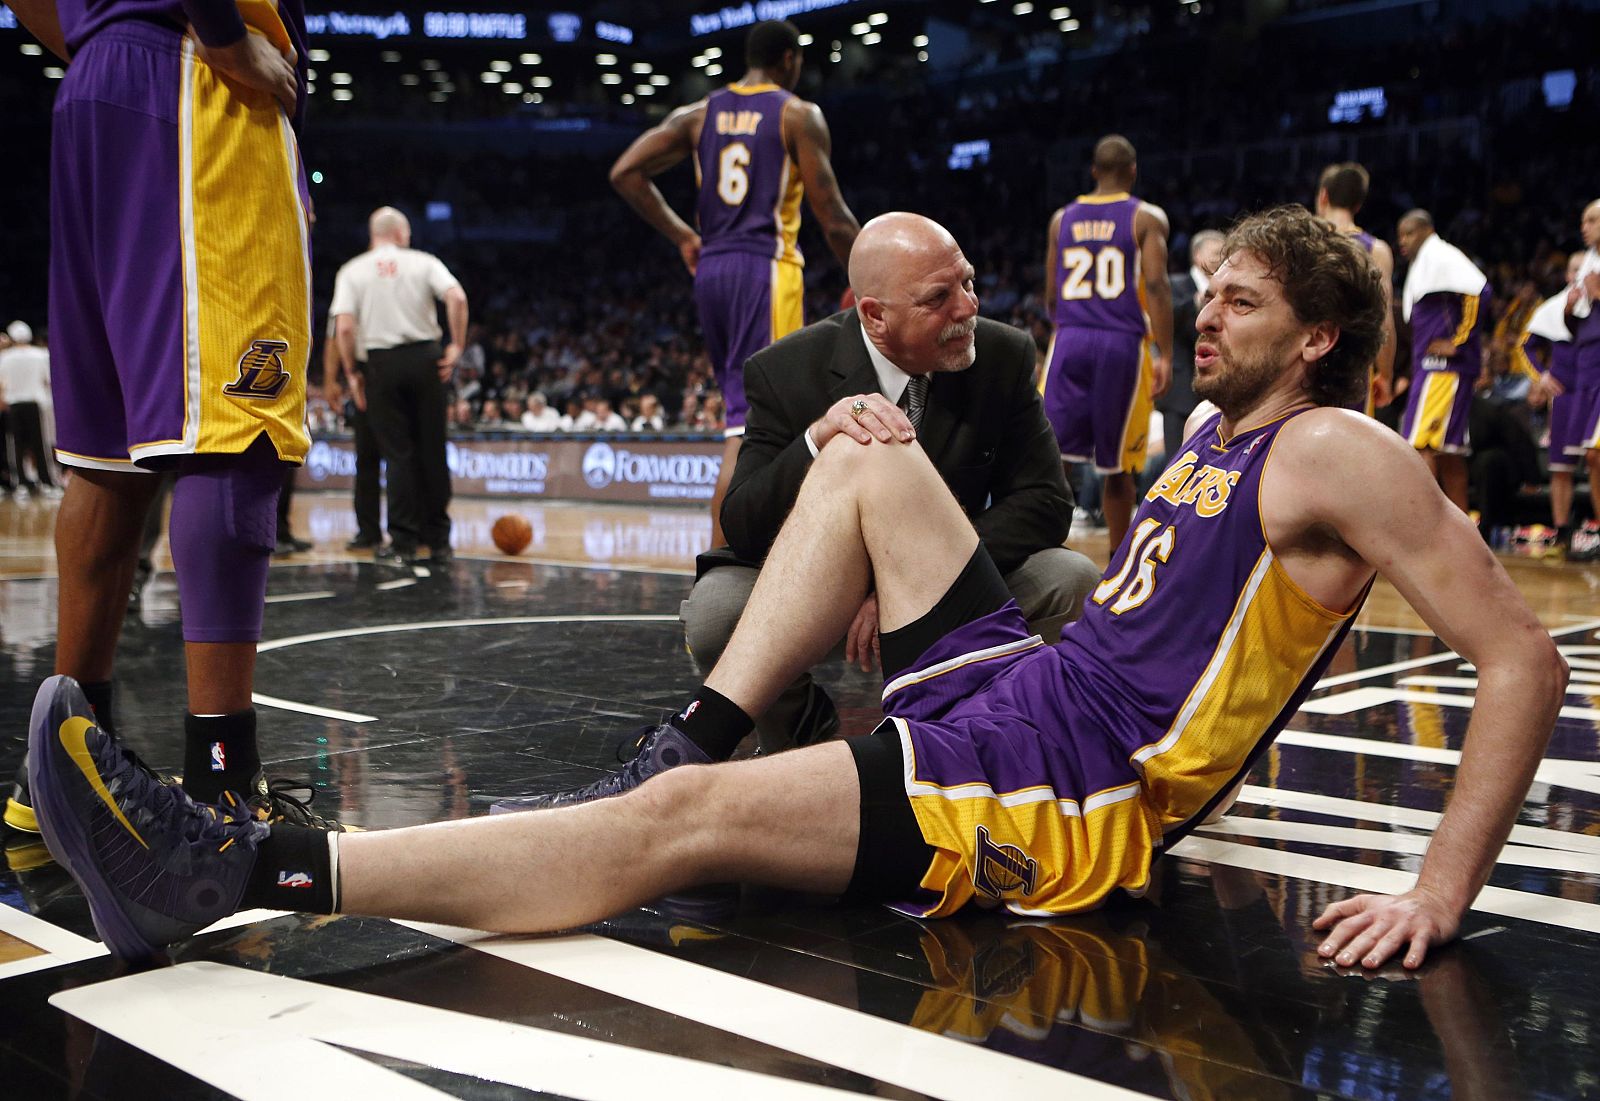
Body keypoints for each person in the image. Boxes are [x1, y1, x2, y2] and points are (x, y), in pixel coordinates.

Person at [25, 207, 1566, 975]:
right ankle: (691, 727)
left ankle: (239, 868)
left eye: (1240, 302)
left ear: (1316, 339)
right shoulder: (1225, 432)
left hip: (1067, 793)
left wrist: (1439, 889)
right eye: (1207, 291)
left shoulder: (1341, 446)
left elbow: (1524, 659)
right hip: (1037, 688)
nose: (1203, 315)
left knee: (677, 830)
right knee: (866, 458)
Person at [4, 0, 347, 836]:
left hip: (98, 83)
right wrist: (224, 37)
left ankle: (62, 777)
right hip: (195, 81)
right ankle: (222, 793)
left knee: (106, 461)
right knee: (238, 430)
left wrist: (101, 38)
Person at [671, 213, 1100, 759]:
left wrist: (906, 579)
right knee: (715, 614)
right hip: (820, 595)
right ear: (874, 315)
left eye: (968, 282)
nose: (967, 307)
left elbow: (1046, 502)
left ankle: (994, 738)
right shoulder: (786, 370)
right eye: (938, 298)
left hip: (945, 585)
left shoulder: (1002, 355)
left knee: (1070, 579)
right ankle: (798, 741)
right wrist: (816, 438)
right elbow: (744, 527)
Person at [609, 18, 861, 548]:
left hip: (713, 270)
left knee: (742, 417)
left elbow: (625, 172)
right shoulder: (797, 114)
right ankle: (727, 562)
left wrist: (683, 235)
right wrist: (870, 275)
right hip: (764, 269)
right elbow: (835, 218)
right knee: (757, 426)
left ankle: (740, 555)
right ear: (789, 59)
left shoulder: (699, 114)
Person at [1040, 134, 1174, 552]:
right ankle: (1117, 560)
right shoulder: (1145, 217)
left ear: (1094, 171)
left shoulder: (1061, 219)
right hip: (1120, 343)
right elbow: (1157, 285)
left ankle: (1043, 548)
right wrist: (1166, 353)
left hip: (1070, 336)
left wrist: (1068, 328)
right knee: (1118, 466)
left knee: (1054, 457)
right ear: (1133, 171)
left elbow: (1050, 294)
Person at [330, 206, 468, 568]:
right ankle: (438, 540)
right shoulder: (424, 262)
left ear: (373, 234)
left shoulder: (353, 270)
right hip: (426, 360)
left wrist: (352, 372)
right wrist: (456, 345)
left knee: (397, 454)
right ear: (402, 233)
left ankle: (403, 541)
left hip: (381, 365)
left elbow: (344, 327)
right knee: (432, 450)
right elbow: (457, 297)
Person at [1396, 210, 1491, 513]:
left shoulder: (1441, 254)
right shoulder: (1425, 262)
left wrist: (1459, 341)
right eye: (1400, 235)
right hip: (1431, 369)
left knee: (1420, 445)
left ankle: (1425, 527)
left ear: (1427, 230)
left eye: (1409, 233)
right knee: (1449, 453)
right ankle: (1464, 531)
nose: (1402, 241)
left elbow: (1481, 290)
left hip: (1442, 371)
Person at [1314, 162, 1397, 413]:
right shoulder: (1376, 250)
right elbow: (1383, 321)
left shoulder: (1303, 242)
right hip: (1353, 365)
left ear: (1323, 196)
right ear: (1358, 205)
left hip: (1305, 359)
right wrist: (1385, 375)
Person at [1519, 252, 1583, 546]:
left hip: (1593, 393)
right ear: (1567, 275)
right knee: (1560, 467)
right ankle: (1562, 531)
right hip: (1564, 396)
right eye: (1575, 269)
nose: (1579, 274)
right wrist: (1542, 376)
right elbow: (1525, 346)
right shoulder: (1553, 307)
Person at [1160, 230, 1224, 460]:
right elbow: (1165, 322)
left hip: (1217, 391)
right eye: (1216, 253)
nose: (1221, 258)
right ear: (1197, 255)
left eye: (1225, 254)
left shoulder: (1226, 293)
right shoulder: (1174, 285)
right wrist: (1194, 303)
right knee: (1177, 461)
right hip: (1180, 391)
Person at [321, 315, 383, 551]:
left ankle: (370, 532)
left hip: (365, 371)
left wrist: (337, 377)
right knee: (402, 455)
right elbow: (337, 331)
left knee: (368, 457)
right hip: (399, 363)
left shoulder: (350, 290)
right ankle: (410, 535)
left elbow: (339, 331)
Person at [1565, 199, 1600, 562]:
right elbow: (1578, 326)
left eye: (1591, 220)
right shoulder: (1588, 264)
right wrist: (1569, 309)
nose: (1584, 226)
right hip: (1588, 366)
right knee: (1591, 457)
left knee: (1595, 453)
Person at [0, 321, 59, 500]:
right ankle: (47, 483)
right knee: (41, 445)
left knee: (16, 446)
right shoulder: (41, 355)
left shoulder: (5, 357)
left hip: (14, 405)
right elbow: (48, 381)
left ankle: (21, 484)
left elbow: (2, 384)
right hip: (36, 404)